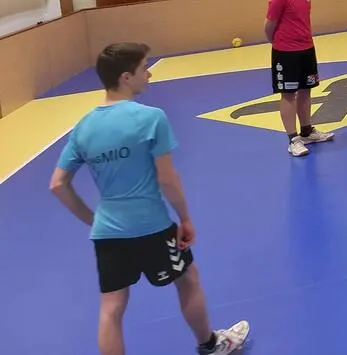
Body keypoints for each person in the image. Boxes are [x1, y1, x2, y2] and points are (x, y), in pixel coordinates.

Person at [49, 42, 251, 355]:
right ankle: (211, 346)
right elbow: (167, 178)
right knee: (188, 280)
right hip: (152, 227)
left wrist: (94, 220)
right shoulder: (150, 118)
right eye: (145, 68)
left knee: (111, 307)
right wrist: (185, 218)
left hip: (108, 234)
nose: (150, 73)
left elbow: (58, 184)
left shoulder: (83, 127)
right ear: (126, 77)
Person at [264, 0, 334, 157]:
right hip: (286, 52)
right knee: (288, 94)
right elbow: (268, 26)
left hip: (306, 48)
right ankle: (293, 139)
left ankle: (307, 131)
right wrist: (278, 43)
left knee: (306, 90)